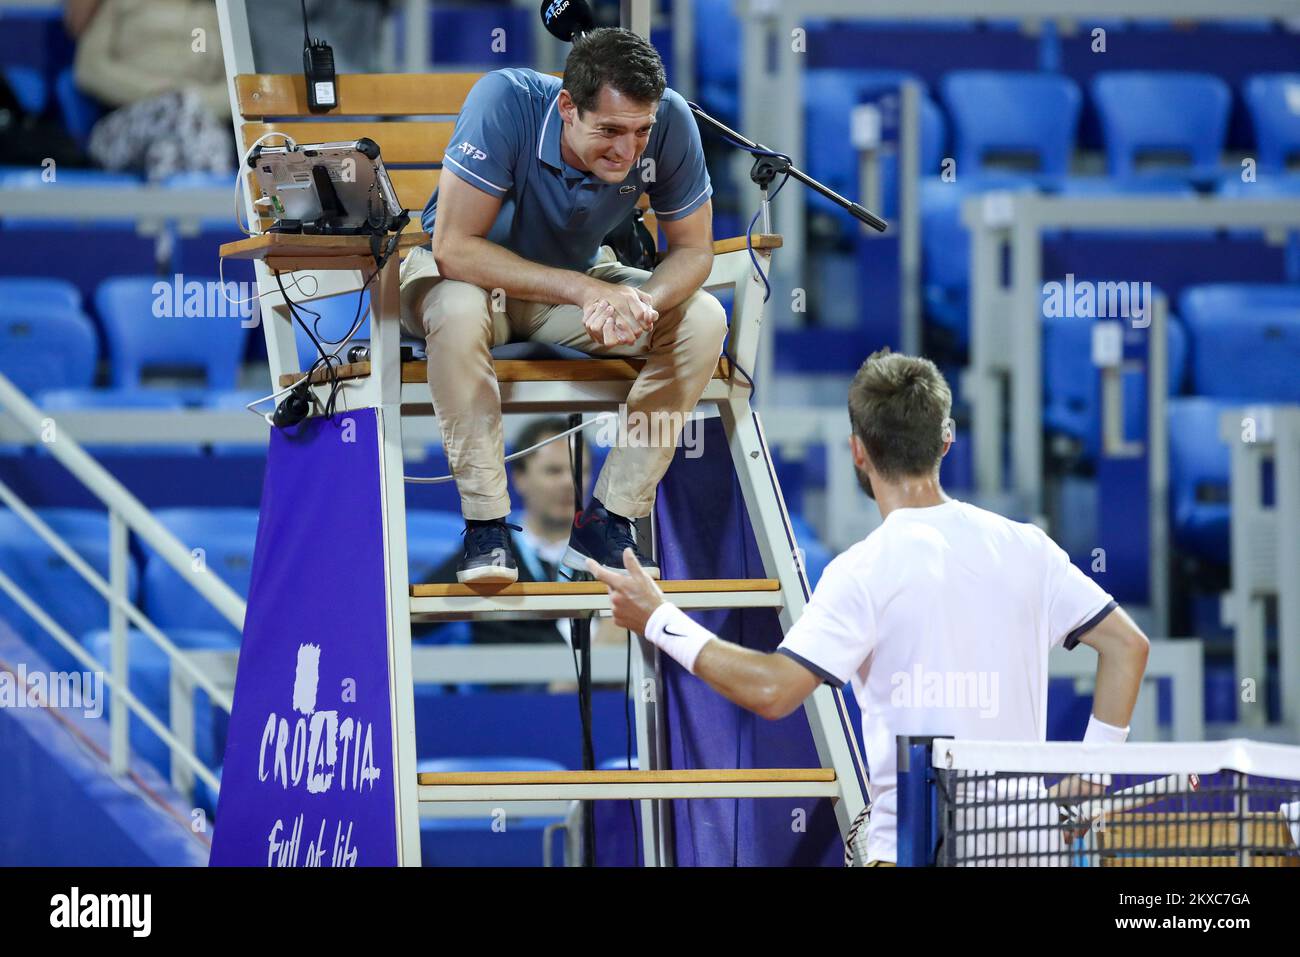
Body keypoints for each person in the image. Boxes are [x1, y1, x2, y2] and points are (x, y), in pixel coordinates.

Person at [588, 349, 1151, 866]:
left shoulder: (862, 569)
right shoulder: (1028, 547)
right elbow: (1129, 645)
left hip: (914, 850)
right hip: (1030, 848)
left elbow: (771, 690)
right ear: (946, 440)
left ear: (858, 450)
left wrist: (659, 618)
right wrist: (1093, 774)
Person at [399, 27, 726, 585]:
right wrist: (586, 292)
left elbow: (694, 250)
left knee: (703, 318)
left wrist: (638, 301)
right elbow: (453, 248)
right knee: (454, 311)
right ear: (568, 107)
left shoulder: (671, 118)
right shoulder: (504, 101)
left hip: (577, 283)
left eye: (641, 132)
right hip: (469, 280)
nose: (628, 152)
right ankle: (487, 527)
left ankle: (610, 516)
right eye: (611, 131)